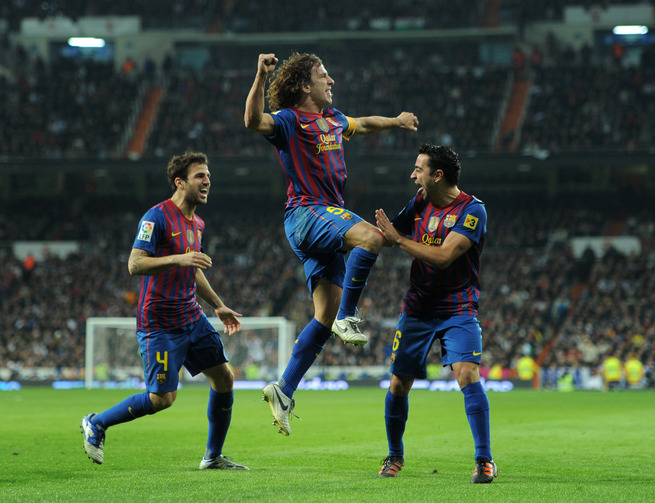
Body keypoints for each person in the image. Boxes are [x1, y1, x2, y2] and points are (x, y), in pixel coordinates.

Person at [244, 52, 419, 436]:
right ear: (306, 85)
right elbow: (253, 120)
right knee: (372, 236)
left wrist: (396, 121)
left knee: (323, 317)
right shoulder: (291, 120)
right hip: (308, 212)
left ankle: (284, 389)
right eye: (324, 75)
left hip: (326, 219)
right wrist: (260, 76)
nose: (332, 81)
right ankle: (349, 317)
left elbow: (365, 124)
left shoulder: (335, 121)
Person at [80, 152, 248, 470]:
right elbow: (135, 264)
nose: (207, 181)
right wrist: (178, 258)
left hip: (191, 315)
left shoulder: (197, 223)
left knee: (224, 378)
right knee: (162, 399)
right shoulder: (155, 217)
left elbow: (193, 269)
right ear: (179, 182)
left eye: (208, 175)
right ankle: (96, 423)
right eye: (200, 175)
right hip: (159, 322)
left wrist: (219, 306)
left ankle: (212, 456)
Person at [374, 143, 496, 483]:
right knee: (398, 383)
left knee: (467, 375)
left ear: (437, 175)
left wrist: (398, 240)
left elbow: (443, 256)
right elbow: (387, 235)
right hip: (418, 307)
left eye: (418, 169)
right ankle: (395, 455)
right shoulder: (419, 201)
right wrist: (343, 230)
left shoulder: (473, 210)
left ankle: (484, 460)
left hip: (458, 306)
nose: (413, 175)